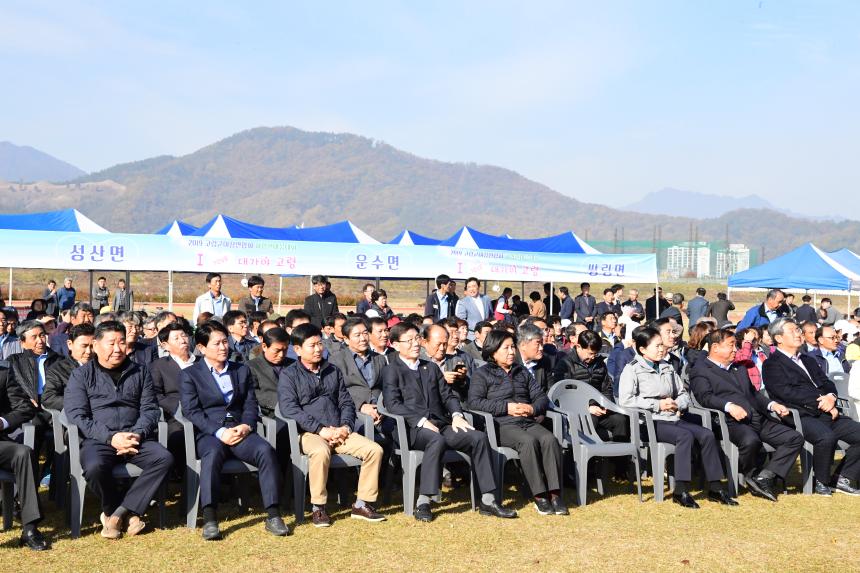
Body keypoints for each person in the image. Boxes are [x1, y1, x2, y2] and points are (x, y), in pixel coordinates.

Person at [381, 322, 516, 522]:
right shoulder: (391, 370)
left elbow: (448, 396)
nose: (415, 344)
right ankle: (424, 501)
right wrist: (421, 421)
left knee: (478, 438)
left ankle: (488, 499)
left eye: (416, 338)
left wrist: (457, 415)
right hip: (412, 429)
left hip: (441, 425)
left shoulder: (430, 367)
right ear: (394, 344)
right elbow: (392, 404)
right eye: (408, 340)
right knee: (435, 439)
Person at [65, 321, 173, 538]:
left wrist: (137, 433)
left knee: (164, 458)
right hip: (99, 439)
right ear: (95, 346)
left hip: (135, 437)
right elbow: (77, 415)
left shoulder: (140, 372)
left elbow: (150, 409)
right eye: (111, 343)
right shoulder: (82, 375)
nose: (117, 349)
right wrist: (110, 438)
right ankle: (122, 512)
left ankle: (118, 514)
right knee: (94, 467)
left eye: (122, 342)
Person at [180, 321, 288, 539]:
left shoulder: (241, 370)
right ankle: (210, 518)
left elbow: (250, 404)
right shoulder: (191, 374)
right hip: (211, 433)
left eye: (225, 342)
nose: (223, 347)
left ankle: (273, 514)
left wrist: (246, 425)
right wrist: (220, 432)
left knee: (265, 451)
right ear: (201, 347)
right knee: (212, 455)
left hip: (240, 430)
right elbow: (192, 411)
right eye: (217, 343)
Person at [279, 323, 385, 526]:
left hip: (339, 430)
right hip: (309, 433)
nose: (318, 349)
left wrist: (345, 426)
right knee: (320, 452)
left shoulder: (332, 370)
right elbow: (290, 409)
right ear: (298, 349)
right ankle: (318, 507)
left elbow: (346, 402)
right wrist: (320, 430)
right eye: (312, 345)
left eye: (320, 344)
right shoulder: (289, 375)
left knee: (374, 450)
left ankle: (362, 504)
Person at [618, 328, 736, 508]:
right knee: (684, 436)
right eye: (657, 346)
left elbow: (682, 394)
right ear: (642, 349)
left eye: (661, 345)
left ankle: (715, 487)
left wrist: (677, 404)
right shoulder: (632, 369)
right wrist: (657, 405)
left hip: (672, 418)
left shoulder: (667, 367)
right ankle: (680, 490)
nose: (661, 349)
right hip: (649, 423)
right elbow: (626, 400)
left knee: (707, 434)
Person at [690, 329, 803, 502]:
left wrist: (772, 405)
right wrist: (729, 406)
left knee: (794, 438)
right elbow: (705, 397)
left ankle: (764, 476)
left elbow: (754, 394)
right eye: (731, 345)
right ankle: (749, 473)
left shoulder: (739, 368)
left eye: (736, 345)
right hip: (731, 422)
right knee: (751, 441)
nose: (736, 349)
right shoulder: (701, 370)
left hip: (759, 418)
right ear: (715, 347)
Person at [468, 330, 567, 515]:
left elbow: (541, 397)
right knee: (527, 442)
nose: (511, 352)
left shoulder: (521, 371)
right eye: (506, 348)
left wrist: (532, 408)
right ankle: (539, 496)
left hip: (527, 421)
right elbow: (474, 402)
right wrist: (507, 407)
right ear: (493, 351)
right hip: (501, 424)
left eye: (512, 347)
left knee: (550, 440)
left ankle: (555, 494)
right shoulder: (482, 374)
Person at [762, 318, 860, 495]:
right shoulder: (772, 364)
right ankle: (821, 481)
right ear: (779, 338)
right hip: (799, 414)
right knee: (826, 437)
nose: (798, 334)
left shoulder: (808, 359)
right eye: (792, 331)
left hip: (825, 411)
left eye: (798, 330)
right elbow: (786, 393)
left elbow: (826, 383)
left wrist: (831, 397)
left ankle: (843, 477)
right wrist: (821, 401)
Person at [0, 362, 49, 550]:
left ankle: (29, 529)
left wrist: (2, 422)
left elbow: (25, 408)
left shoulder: (3, 374)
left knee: (24, 453)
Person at [554, 330, 630, 443]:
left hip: (598, 408)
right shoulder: (566, 364)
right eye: (590, 353)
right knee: (589, 420)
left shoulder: (599, 363)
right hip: (576, 410)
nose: (593, 357)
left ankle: (620, 453)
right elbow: (563, 395)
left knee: (620, 420)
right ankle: (587, 453)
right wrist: (586, 408)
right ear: (578, 347)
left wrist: (606, 405)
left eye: (595, 354)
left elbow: (606, 388)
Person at [328, 318, 389, 435]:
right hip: (354, 412)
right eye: (357, 335)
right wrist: (360, 406)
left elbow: (387, 386)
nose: (363, 338)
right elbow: (336, 391)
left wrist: (383, 408)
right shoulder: (336, 360)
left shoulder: (380, 358)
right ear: (346, 339)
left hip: (382, 410)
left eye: (365, 333)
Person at [149, 322, 196, 473]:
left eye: (184, 335)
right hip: (177, 415)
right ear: (165, 345)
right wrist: (178, 406)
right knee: (178, 436)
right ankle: (182, 473)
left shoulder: (201, 362)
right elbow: (155, 394)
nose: (183, 340)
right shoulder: (159, 366)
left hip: (205, 411)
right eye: (176, 338)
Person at [42, 323, 95, 411]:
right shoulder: (58, 370)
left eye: (92, 346)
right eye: (84, 346)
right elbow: (48, 398)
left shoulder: (104, 366)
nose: (89, 351)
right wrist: (81, 403)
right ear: (70, 344)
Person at [247, 327, 293, 418]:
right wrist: (284, 401)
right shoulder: (252, 366)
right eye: (277, 351)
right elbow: (253, 393)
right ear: (264, 346)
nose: (281, 355)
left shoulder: (293, 364)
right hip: (272, 413)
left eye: (285, 350)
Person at [516, 323, 555, 393]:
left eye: (541, 343)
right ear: (523, 345)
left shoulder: (544, 361)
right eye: (537, 344)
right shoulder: (511, 363)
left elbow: (550, 389)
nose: (541, 348)